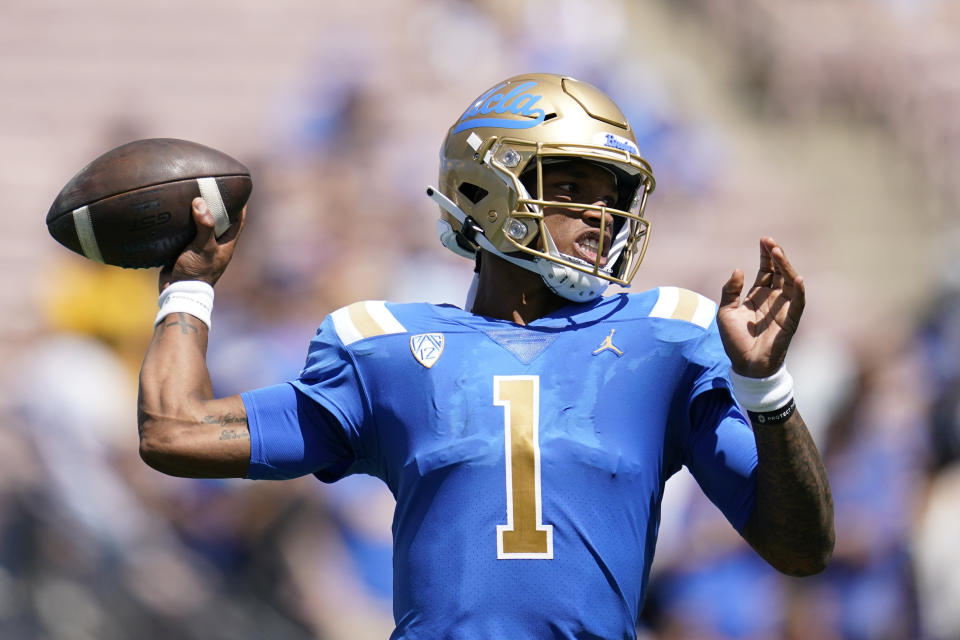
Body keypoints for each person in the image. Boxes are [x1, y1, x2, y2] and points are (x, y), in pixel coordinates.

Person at [138, 73, 834, 639]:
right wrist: (190, 289)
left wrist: (766, 387)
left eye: (610, 195)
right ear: (485, 190)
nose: (599, 215)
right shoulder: (384, 347)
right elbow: (176, 432)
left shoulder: (668, 339)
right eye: (570, 188)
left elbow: (802, 549)